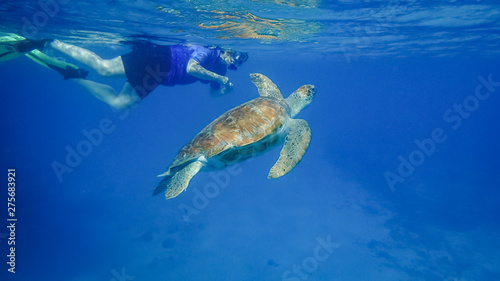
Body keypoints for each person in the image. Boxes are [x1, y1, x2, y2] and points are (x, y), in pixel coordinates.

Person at [44, 40, 248, 109]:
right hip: (158, 57)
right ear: (229, 49)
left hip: (159, 76)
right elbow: (191, 68)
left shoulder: (221, 69)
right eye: (236, 56)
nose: (234, 62)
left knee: (120, 103)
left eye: (238, 63)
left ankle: (74, 75)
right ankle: (51, 42)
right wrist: (220, 79)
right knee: (104, 69)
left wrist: (225, 91)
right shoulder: (211, 50)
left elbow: (213, 94)